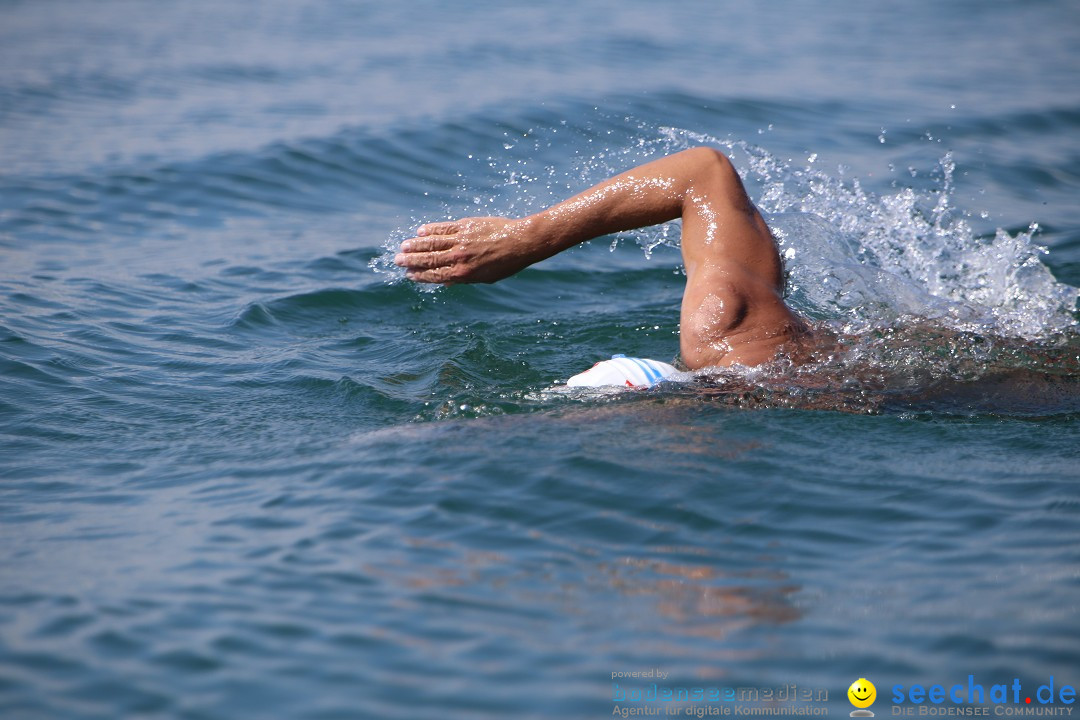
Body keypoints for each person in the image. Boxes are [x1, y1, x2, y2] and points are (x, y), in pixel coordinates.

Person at [394, 147, 809, 371]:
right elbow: (703, 171)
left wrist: (524, 239)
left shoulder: (726, 333)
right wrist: (526, 238)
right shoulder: (742, 333)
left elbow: (705, 172)